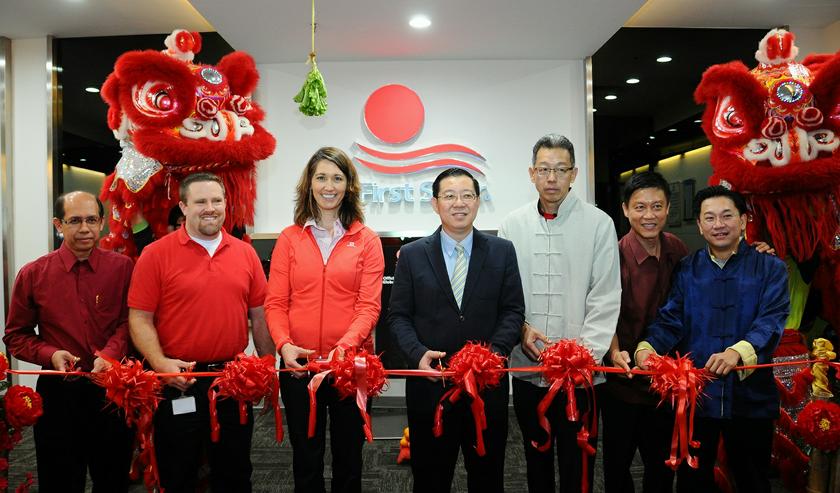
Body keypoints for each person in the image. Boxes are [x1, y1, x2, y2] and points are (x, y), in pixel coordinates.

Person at [635, 185, 789, 493]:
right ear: (700, 226)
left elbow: (771, 321)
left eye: (727, 216)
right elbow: (671, 318)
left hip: (750, 399)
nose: (719, 224)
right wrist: (646, 347)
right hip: (697, 398)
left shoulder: (770, 267)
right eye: (710, 218)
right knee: (693, 480)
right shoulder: (688, 269)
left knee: (753, 479)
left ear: (744, 220)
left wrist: (737, 352)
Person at [128, 172, 275, 492]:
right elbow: (139, 318)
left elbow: (260, 314)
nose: (210, 208)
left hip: (232, 382)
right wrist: (160, 362)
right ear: (183, 206)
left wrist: (266, 367)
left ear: (226, 204)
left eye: (217, 200)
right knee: (178, 471)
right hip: (178, 381)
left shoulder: (245, 253)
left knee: (235, 472)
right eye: (200, 201)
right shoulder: (155, 254)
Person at [388, 167, 525, 493]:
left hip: (486, 389)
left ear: (478, 202)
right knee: (430, 479)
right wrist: (417, 353)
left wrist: (493, 356)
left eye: (467, 195)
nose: (459, 203)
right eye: (449, 196)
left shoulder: (502, 251)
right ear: (435, 204)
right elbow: (398, 316)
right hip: (430, 389)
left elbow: (513, 310)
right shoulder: (412, 255)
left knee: (487, 477)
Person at [498, 134, 621, 493]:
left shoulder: (599, 224)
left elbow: (605, 295)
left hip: (580, 375)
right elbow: (505, 295)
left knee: (577, 460)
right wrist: (520, 330)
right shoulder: (512, 225)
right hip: (527, 367)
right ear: (531, 173)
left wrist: (584, 355)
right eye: (544, 169)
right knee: (534, 457)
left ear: (574, 173)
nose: (552, 178)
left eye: (560, 170)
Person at [264, 146, 385, 493]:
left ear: (348, 185)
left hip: (350, 367)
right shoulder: (290, 238)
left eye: (337, 177)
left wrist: (344, 348)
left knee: (350, 456)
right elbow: (275, 303)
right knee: (306, 455)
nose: (328, 185)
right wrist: (284, 346)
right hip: (299, 365)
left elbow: (369, 307)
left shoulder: (367, 240)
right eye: (321, 177)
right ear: (309, 184)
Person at [4, 191, 134, 492]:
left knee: (113, 478)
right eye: (74, 221)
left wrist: (111, 354)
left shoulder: (123, 268)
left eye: (91, 220)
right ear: (58, 225)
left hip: (112, 391)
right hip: (59, 394)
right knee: (59, 480)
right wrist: (50, 354)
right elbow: (15, 336)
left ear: (102, 223)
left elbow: (131, 322)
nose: (85, 228)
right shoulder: (34, 274)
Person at [600, 171, 687, 493]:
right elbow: (601, 311)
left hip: (664, 382)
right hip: (622, 378)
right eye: (639, 207)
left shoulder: (678, 250)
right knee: (617, 465)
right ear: (625, 210)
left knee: (661, 464)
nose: (648, 216)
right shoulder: (612, 254)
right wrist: (613, 351)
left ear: (667, 209)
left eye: (656, 206)